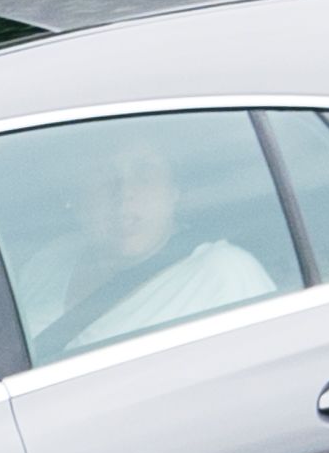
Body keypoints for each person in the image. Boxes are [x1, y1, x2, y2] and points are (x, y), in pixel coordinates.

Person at [46, 136, 282, 352]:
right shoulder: (51, 259)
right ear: (77, 199)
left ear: (174, 191)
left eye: (144, 173)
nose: (124, 191)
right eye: (104, 175)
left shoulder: (223, 273)